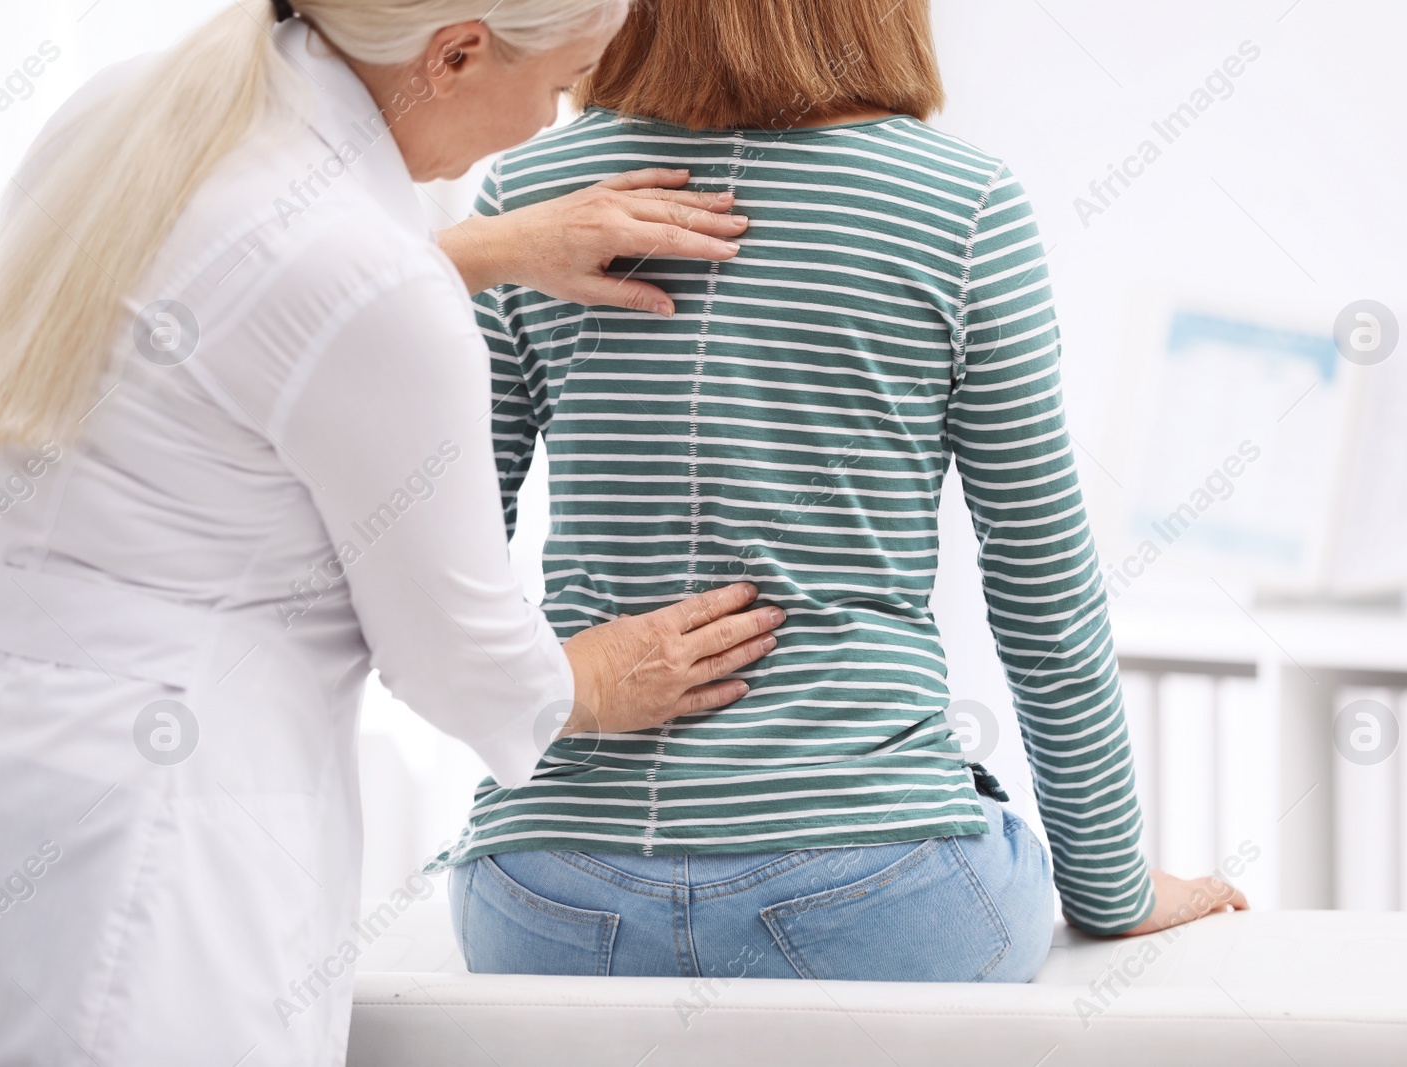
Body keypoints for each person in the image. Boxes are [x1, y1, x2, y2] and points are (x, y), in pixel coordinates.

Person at [0, 1, 783, 1064]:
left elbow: (239, 305)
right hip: (160, 848)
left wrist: (483, 249)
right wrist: (597, 673)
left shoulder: (122, 108)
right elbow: (460, 662)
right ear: (453, 53)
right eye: (557, 84)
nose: (553, 124)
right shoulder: (370, 281)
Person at [444, 0, 1248, 983]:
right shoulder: (960, 203)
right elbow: (1042, 583)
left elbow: (441, 565)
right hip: (877, 890)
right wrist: (1112, 886)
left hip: (544, 896)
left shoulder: (528, 201)